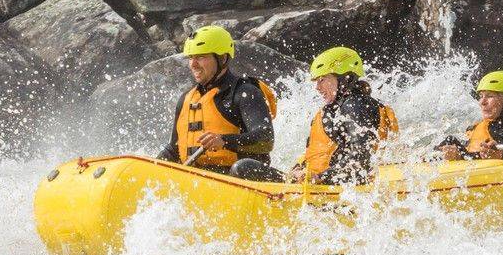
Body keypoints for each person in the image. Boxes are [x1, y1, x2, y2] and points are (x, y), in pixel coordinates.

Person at [159, 26, 280, 181]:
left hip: (241, 180)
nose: (193, 64)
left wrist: (224, 141)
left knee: (241, 167)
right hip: (199, 182)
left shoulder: (245, 92)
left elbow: (266, 140)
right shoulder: (185, 99)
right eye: (191, 58)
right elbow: (174, 150)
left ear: (222, 59)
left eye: (201, 57)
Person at [295, 46, 398, 185]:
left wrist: (320, 177)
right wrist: (299, 168)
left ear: (345, 78)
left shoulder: (355, 106)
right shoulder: (336, 110)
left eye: (323, 79)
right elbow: (319, 152)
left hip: (343, 189)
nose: (318, 88)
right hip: (328, 184)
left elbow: (360, 156)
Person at [437, 71, 503, 162]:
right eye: (481, 96)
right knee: (449, 140)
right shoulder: (474, 128)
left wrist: (459, 156)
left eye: (490, 96)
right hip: (469, 171)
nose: (482, 102)